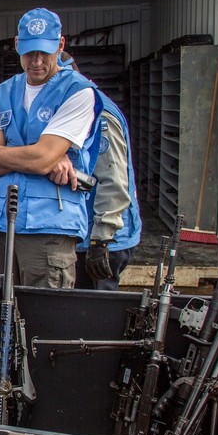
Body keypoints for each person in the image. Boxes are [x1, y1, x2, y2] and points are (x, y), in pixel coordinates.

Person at [0, 7, 103, 291]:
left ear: (60, 45)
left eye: (45, 51)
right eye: (30, 52)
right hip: (1, 221)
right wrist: (37, 157)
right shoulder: (4, 92)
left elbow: (42, 159)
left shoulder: (78, 92)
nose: (37, 61)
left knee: (43, 322)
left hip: (49, 226)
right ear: (17, 45)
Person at [58, 53, 142, 290]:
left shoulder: (100, 114)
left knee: (95, 313)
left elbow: (113, 180)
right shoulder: (73, 110)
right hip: (85, 235)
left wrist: (100, 240)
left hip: (104, 240)